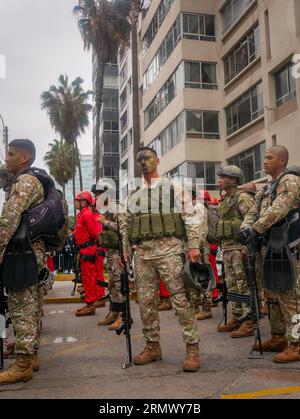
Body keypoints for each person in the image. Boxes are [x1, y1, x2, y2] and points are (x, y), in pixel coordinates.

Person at [120, 147, 201, 372]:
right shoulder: (134, 193)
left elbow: (190, 217)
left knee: (181, 301)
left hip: (170, 252)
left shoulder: (173, 188)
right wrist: (125, 251)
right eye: (139, 160)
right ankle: (152, 346)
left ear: (157, 160)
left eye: (147, 158)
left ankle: (192, 348)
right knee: (146, 304)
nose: (143, 163)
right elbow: (125, 223)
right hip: (143, 255)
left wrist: (193, 246)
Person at [241, 145, 300, 363]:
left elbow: (279, 209)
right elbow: (253, 212)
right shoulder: (265, 188)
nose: (264, 161)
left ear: (282, 161)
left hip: (289, 248)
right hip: (270, 247)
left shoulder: (290, 181)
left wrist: (255, 228)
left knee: (291, 296)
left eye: (269, 157)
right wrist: (245, 228)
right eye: (264, 157)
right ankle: (277, 337)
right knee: (272, 294)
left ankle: (296, 343)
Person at [0, 139, 46, 384]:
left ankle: (23, 365)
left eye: (10, 154)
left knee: (22, 307)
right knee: (29, 304)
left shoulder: (25, 181)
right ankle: (31, 354)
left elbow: (10, 217)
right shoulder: (30, 181)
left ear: (24, 158)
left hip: (23, 253)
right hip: (30, 251)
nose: (6, 158)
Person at [216, 165, 255, 338]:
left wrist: (247, 246)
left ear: (233, 180)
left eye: (223, 177)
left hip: (240, 248)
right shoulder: (225, 200)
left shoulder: (243, 197)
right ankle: (237, 316)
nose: (219, 180)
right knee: (232, 286)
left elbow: (252, 221)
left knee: (244, 285)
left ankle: (249, 321)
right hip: (227, 248)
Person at [96, 180, 124, 330]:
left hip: (118, 253)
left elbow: (123, 227)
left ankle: (122, 316)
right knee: (113, 285)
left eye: (100, 194)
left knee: (119, 285)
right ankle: (114, 312)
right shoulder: (106, 210)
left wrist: (105, 222)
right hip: (110, 253)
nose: (97, 197)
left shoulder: (116, 208)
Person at [74, 191, 104, 317]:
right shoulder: (82, 214)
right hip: (85, 249)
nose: (76, 203)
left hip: (89, 249)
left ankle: (91, 304)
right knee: (87, 278)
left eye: (78, 200)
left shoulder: (86, 214)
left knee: (90, 277)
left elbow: (96, 233)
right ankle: (90, 303)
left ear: (84, 202)